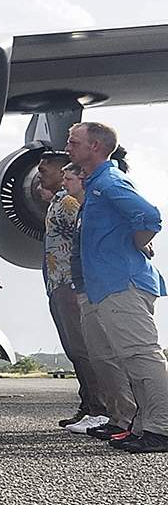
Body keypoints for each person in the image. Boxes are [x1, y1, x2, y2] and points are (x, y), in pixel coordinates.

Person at [65, 121, 168, 453]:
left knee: (142, 357)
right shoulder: (95, 185)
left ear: (95, 146)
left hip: (122, 283)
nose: (68, 147)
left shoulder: (109, 182)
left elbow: (150, 217)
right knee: (126, 360)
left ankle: (162, 428)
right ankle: (142, 425)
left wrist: (135, 244)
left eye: (73, 142)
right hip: (104, 286)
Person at [36, 154, 106, 432]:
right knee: (74, 349)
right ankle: (88, 404)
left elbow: (88, 230)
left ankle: (100, 408)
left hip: (69, 283)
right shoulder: (57, 201)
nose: (39, 174)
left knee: (81, 348)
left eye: (44, 170)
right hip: (58, 283)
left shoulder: (67, 202)